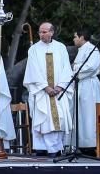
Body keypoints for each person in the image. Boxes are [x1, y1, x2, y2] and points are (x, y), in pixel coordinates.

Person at [24, 22, 74, 156]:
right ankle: (42, 148)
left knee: (60, 119)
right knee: (43, 119)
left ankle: (56, 148)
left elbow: (66, 68)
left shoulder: (60, 47)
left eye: (44, 32)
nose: (41, 34)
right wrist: (45, 87)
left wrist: (60, 86)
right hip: (42, 91)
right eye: (40, 32)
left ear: (52, 32)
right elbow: (33, 70)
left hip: (58, 91)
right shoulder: (33, 49)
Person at [72, 29, 100, 150]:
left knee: (89, 114)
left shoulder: (92, 49)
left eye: (75, 37)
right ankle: (82, 144)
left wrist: (74, 69)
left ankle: (92, 145)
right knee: (81, 115)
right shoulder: (81, 50)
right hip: (81, 85)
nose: (74, 39)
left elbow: (91, 66)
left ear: (82, 37)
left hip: (89, 86)